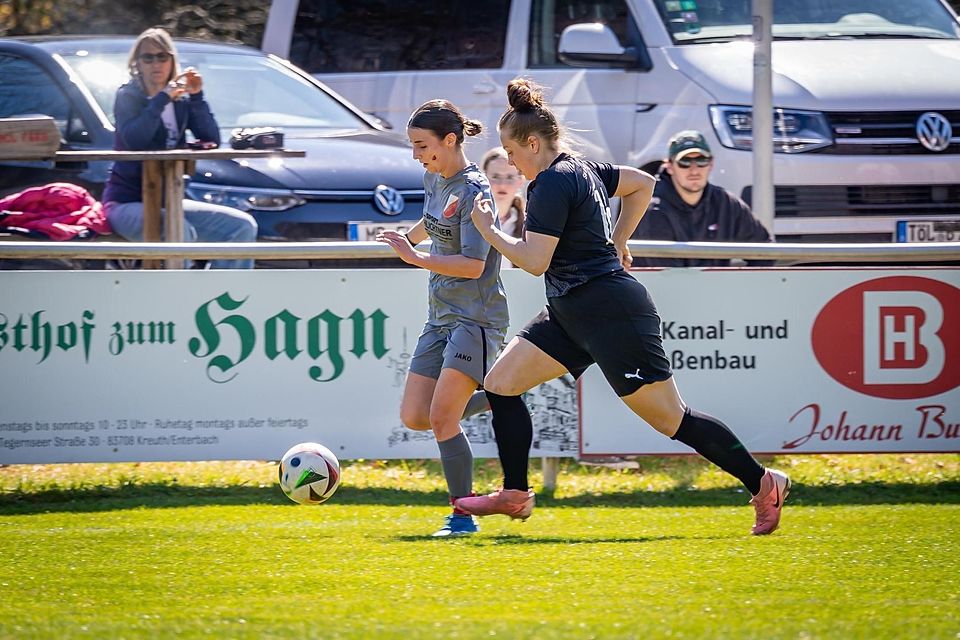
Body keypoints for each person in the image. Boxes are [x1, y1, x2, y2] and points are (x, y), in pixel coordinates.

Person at [456, 79, 790, 536]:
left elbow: (534, 262)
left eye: (512, 153)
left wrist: (489, 229)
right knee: (501, 383)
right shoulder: (584, 169)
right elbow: (643, 184)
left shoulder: (550, 184)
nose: (510, 163)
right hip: (574, 310)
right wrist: (619, 239)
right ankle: (515, 494)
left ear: (532, 143)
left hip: (609, 310)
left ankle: (763, 481)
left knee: (673, 419)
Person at [377, 99, 509, 537]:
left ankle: (461, 517)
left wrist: (416, 258)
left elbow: (473, 264)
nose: (416, 155)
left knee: (441, 419)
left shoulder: (475, 191)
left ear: (449, 141)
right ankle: (502, 394)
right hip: (440, 318)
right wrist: (406, 238)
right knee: (416, 415)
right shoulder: (435, 177)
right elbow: (432, 223)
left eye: (421, 146)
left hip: (476, 319)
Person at [102, 28, 257, 269]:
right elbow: (135, 140)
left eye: (162, 56)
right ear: (137, 64)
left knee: (242, 227)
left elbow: (211, 138)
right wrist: (161, 99)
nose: (156, 63)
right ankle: (181, 301)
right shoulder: (127, 96)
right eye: (148, 57)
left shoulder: (181, 100)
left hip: (171, 201)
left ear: (172, 60)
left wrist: (196, 97)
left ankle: (221, 299)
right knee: (177, 230)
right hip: (125, 203)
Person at [632, 130, 773, 267]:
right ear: (669, 166)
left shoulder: (726, 203)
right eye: (685, 162)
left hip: (715, 289)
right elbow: (668, 277)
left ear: (711, 164)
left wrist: (745, 286)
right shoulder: (652, 209)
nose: (694, 170)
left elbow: (765, 250)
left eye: (701, 160)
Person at [481, 147, 525, 268]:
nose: (502, 184)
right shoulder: (468, 219)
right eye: (495, 176)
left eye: (510, 177)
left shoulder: (529, 226)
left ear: (520, 181)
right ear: (483, 179)